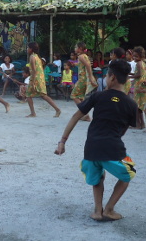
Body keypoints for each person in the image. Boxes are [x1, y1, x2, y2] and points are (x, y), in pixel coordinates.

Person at [54, 59, 137, 222]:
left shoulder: (98, 96)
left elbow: (75, 117)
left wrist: (62, 141)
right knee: (129, 173)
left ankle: (97, 211)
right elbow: (124, 130)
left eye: (107, 75)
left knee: (98, 177)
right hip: (113, 148)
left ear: (112, 77)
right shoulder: (131, 104)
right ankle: (109, 209)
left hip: (91, 148)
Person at [25, 42, 61, 117]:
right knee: (43, 95)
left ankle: (33, 113)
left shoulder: (32, 57)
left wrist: (32, 82)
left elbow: (34, 71)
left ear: (31, 49)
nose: (27, 49)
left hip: (35, 78)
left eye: (28, 48)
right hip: (40, 78)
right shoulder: (37, 57)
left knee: (29, 95)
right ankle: (57, 109)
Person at [70, 42, 98, 121]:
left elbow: (88, 66)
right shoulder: (85, 56)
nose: (75, 49)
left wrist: (90, 77)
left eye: (76, 47)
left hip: (83, 79)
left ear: (80, 49)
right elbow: (84, 65)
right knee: (80, 97)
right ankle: (85, 115)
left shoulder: (81, 57)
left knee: (74, 95)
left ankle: (84, 113)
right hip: (84, 78)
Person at [130, 47, 146, 129]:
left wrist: (129, 76)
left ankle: (138, 124)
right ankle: (142, 124)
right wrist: (131, 74)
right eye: (133, 56)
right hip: (142, 85)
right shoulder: (143, 63)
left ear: (141, 56)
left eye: (136, 56)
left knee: (136, 106)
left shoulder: (138, 63)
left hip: (139, 86)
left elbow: (139, 75)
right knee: (140, 106)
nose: (134, 58)